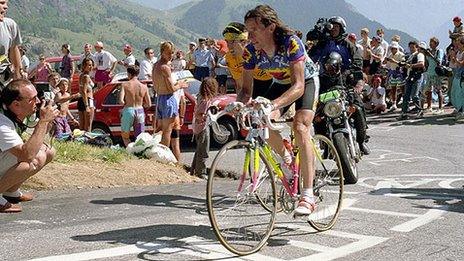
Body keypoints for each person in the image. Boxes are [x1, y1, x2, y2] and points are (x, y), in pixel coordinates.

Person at [240, 5, 319, 216]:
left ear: (271, 27)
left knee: (300, 126)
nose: (250, 35)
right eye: (248, 30)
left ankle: (308, 195)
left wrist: (274, 104)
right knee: (261, 119)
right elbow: (246, 90)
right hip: (282, 83)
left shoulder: (290, 43)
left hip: (305, 82)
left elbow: (299, 86)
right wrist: (240, 106)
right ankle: (286, 158)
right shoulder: (250, 51)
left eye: (254, 29)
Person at [309, 15, 369, 155]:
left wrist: (353, 76)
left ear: (342, 28)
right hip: (325, 81)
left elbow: (358, 61)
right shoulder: (323, 43)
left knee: (358, 107)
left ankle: (361, 141)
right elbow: (311, 58)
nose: (334, 29)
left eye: (337, 27)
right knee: (318, 114)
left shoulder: (348, 44)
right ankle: (325, 144)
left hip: (346, 79)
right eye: (332, 27)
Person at [0, 79, 58, 213]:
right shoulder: (2, 123)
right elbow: (27, 154)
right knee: (30, 161)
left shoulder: (14, 113)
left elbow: (35, 143)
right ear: (16, 104)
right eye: (33, 99)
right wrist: (43, 121)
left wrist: (46, 122)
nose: (38, 101)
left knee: (48, 151)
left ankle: (11, 192)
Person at [152, 41, 188, 147]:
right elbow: (172, 89)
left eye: (172, 53)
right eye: (168, 53)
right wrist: (180, 85)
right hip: (168, 99)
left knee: (160, 129)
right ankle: (164, 153)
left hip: (159, 98)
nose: (171, 55)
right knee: (167, 131)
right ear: (162, 52)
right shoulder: (165, 67)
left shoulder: (155, 65)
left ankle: (157, 151)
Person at [222, 22, 273, 96]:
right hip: (254, 86)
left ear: (244, 41)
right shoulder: (230, 58)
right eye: (227, 42)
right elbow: (240, 86)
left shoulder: (261, 52)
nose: (229, 46)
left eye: (233, 42)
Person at [191, 77, 217, 179]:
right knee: (204, 150)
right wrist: (206, 116)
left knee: (199, 149)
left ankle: (194, 169)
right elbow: (199, 113)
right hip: (203, 126)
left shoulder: (200, 97)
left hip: (197, 126)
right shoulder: (205, 101)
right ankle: (201, 171)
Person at [119, 65, 151, 147]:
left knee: (125, 136)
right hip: (140, 110)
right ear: (138, 73)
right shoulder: (144, 87)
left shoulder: (125, 85)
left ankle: (130, 151)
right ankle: (138, 153)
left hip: (129, 110)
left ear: (129, 74)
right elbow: (149, 104)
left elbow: (121, 101)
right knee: (139, 137)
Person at [397, 41, 426, 120]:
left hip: (417, 76)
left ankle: (420, 110)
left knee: (415, 95)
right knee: (406, 96)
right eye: (410, 47)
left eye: (413, 47)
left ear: (417, 47)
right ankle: (404, 113)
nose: (411, 49)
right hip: (410, 77)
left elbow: (421, 64)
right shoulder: (410, 56)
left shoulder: (420, 55)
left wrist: (410, 65)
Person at [0, 0, 24, 88]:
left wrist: (18, 74)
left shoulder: (10, 25)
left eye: (6, 3)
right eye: (2, 3)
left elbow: (14, 49)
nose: (6, 7)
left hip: (4, 79)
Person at [422, 37, 446, 114]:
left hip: (436, 73)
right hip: (429, 73)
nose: (430, 44)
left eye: (432, 43)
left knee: (438, 90)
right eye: (430, 43)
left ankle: (440, 107)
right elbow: (427, 63)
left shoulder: (439, 51)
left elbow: (439, 62)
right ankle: (429, 107)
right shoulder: (429, 51)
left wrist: (431, 55)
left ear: (436, 44)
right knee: (429, 91)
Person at [384, 41, 405, 112]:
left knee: (402, 89)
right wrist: (385, 60)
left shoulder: (401, 55)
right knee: (393, 89)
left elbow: (402, 63)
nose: (392, 50)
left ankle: (405, 103)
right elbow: (385, 62)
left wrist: (394, 61)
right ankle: (394, 103)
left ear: (396, 49)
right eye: (391, 48)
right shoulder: (390, 55)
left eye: (394, 48)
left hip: (399, 73)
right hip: (392, 73)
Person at [78, 58, 95, 131]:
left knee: (82, 125)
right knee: (88, 125)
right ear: (84, 66)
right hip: (87, 100)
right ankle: (87, 140)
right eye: (88, 65)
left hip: (81, 100)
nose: (90, 67)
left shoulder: (81, 75)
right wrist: (87, 106)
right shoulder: (86, 77)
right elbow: (84, 91)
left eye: (91, 65)